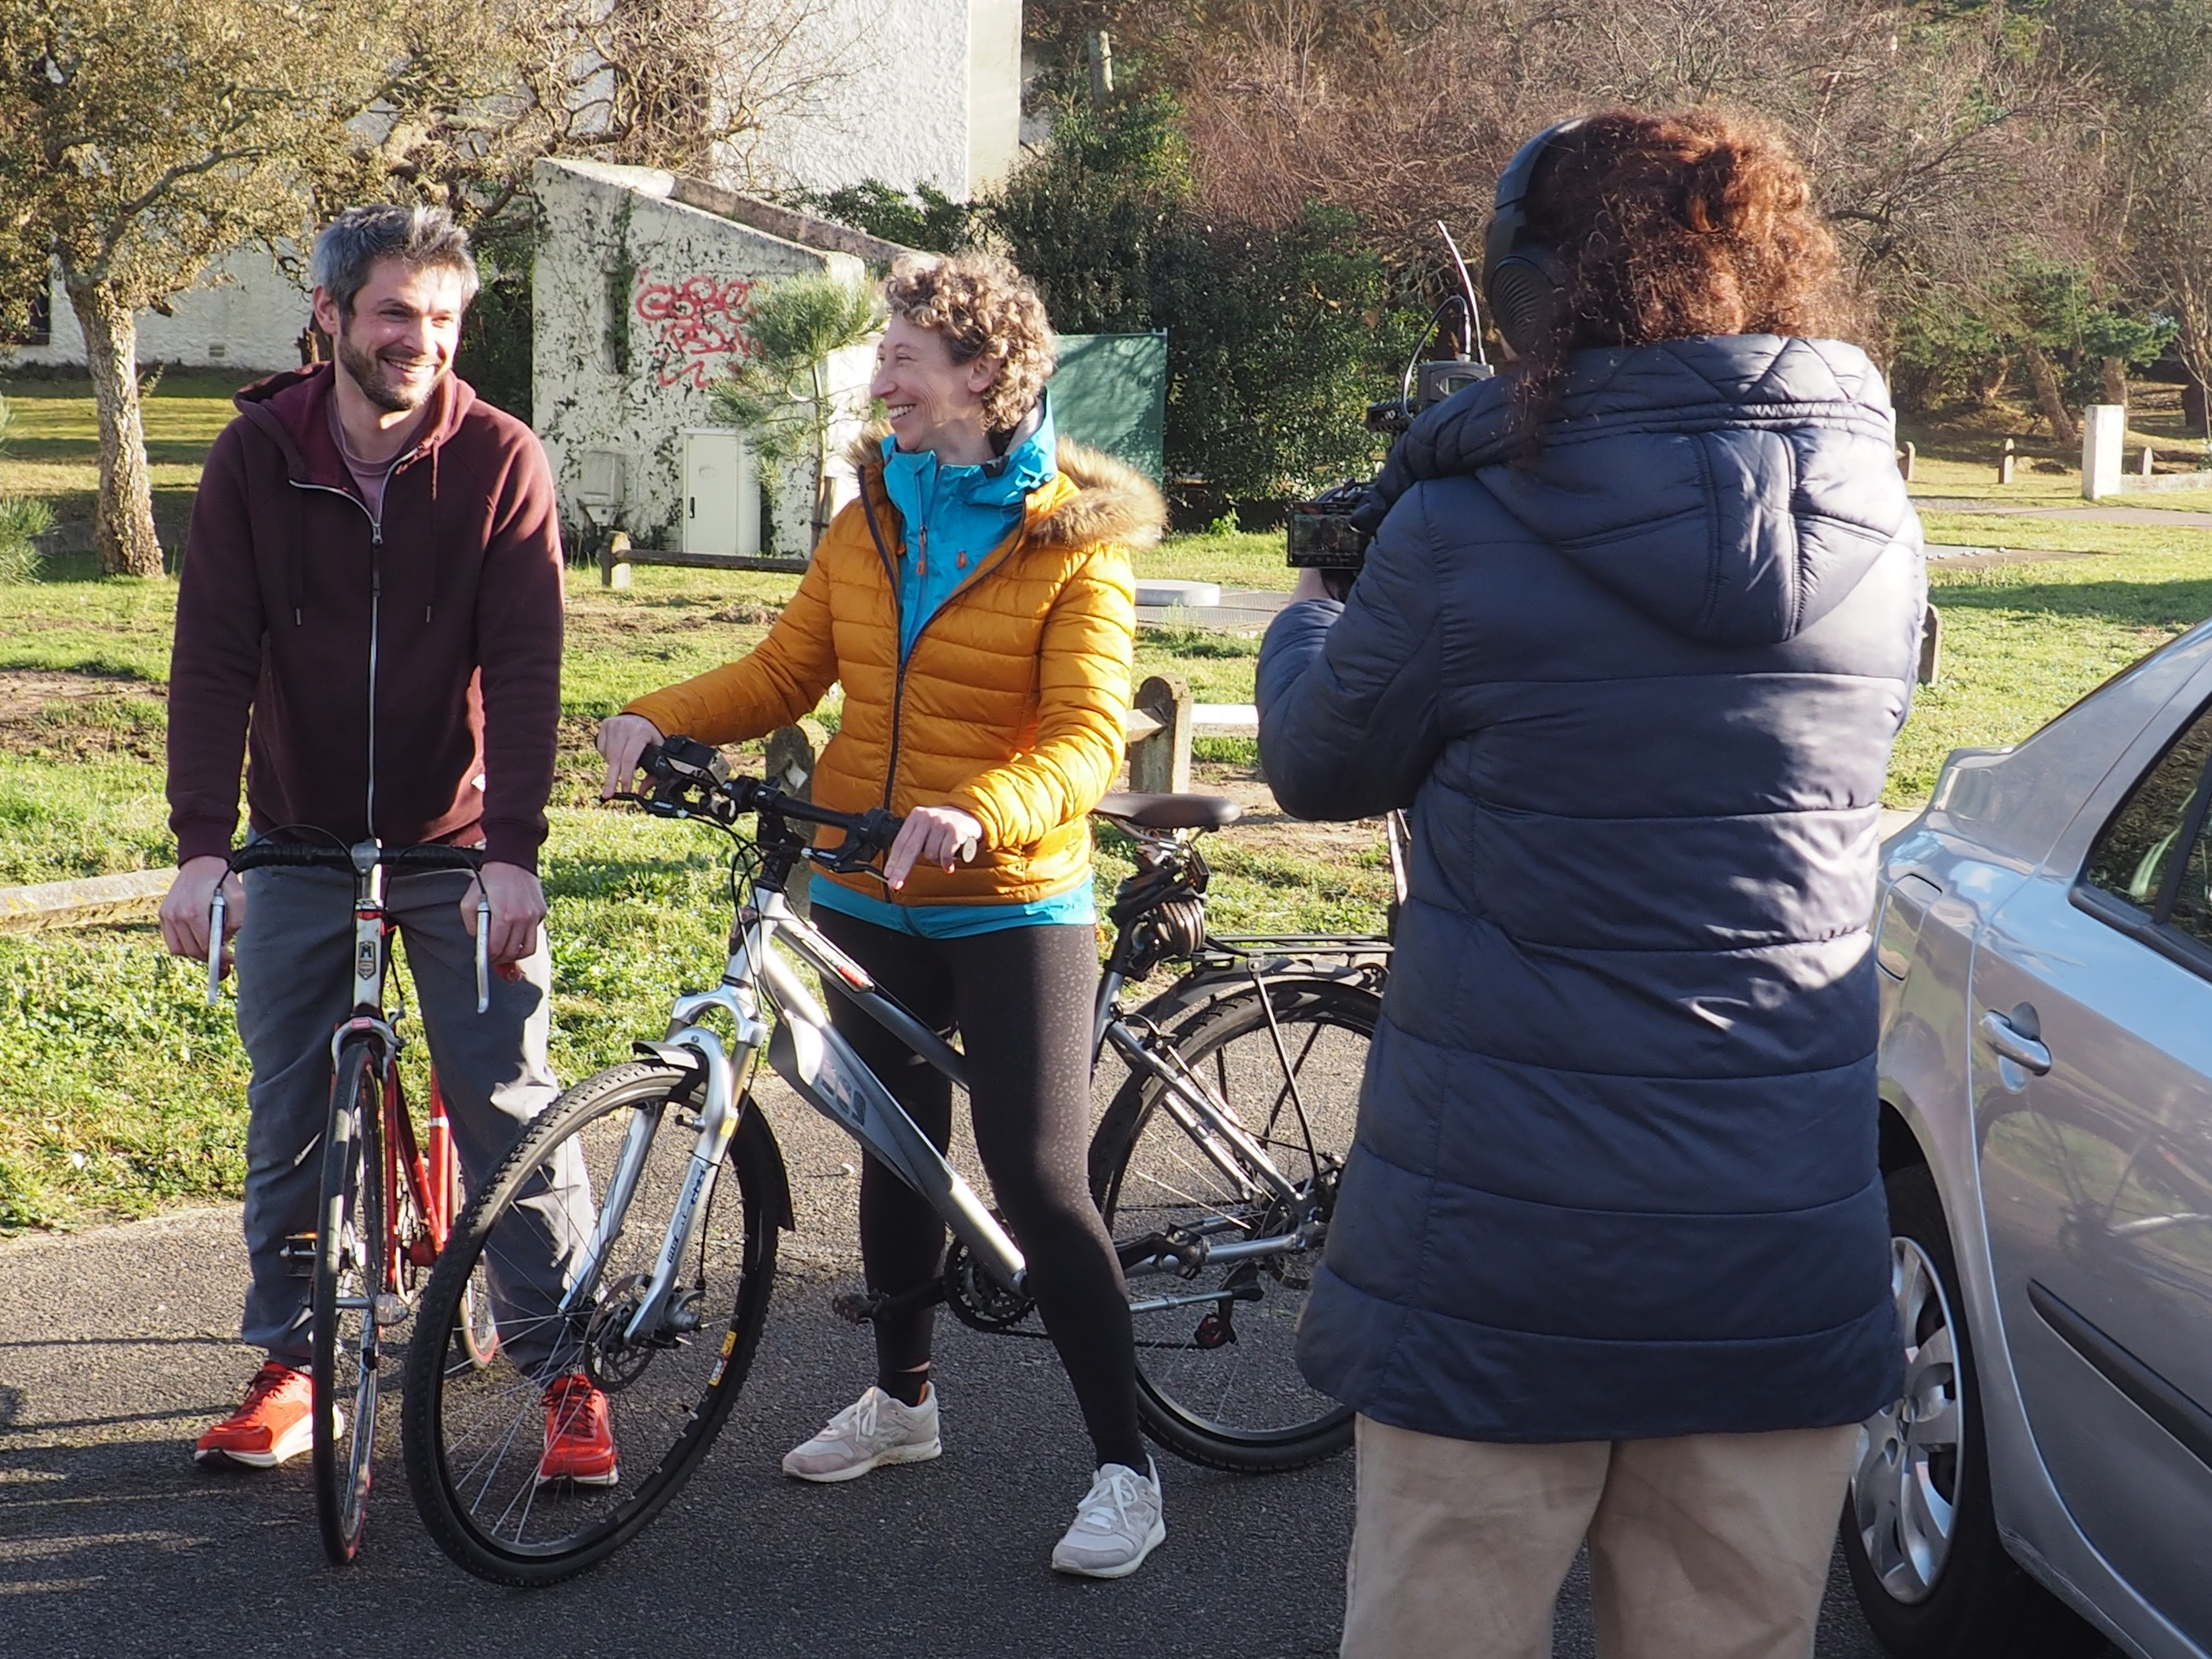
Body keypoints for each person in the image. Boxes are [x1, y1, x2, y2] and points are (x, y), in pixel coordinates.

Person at [1256, 109, 1925, 1658]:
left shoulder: (1462, 526)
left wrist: (1309, 613)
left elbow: (1320, 765)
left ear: (1545, 290)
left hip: (1501, 1244)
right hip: (1772, 1233)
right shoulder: (1885, 524)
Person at [596, 252, 1169, 1577]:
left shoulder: (1070, 541)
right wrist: (657, 714)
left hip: (1014, 895)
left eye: (905, 355)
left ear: (983, 372)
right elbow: (790, 669)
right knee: (896, 1143)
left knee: (1035, 1175)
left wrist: (986, 808)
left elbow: (1093, 734)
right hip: (865, 877)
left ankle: (1127, 1470)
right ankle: (904, 1403)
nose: (883, 379)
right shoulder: (873, 515)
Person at [159, 204, 614, 1483]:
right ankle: (296, 1361)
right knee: (289, 1110)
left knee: (508, 1097)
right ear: (332, 318)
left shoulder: (499, 460)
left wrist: (514, 850)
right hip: (299, 837)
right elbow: (210, 661)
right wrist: (206, 848)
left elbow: (527, 668)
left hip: (459, 840)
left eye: (443, 319)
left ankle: (561, 1360)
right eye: (395, 314)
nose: (421, 340)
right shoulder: (257, 456)